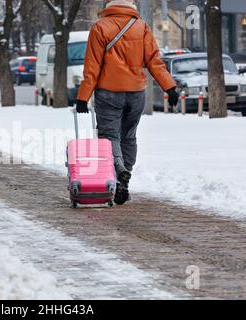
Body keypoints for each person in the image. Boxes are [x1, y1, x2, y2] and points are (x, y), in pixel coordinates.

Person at [76, 0, 179, 205]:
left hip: (108, 92)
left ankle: (119, 169)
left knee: (108, 136)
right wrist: (170, 87)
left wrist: (82, 97)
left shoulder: (99, 27)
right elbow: (154, 61)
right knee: (129, 136)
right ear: (131, 6)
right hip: (136, 93)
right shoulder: (141, 27)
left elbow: (92, 68)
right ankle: (125, 180)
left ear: (109, 5)